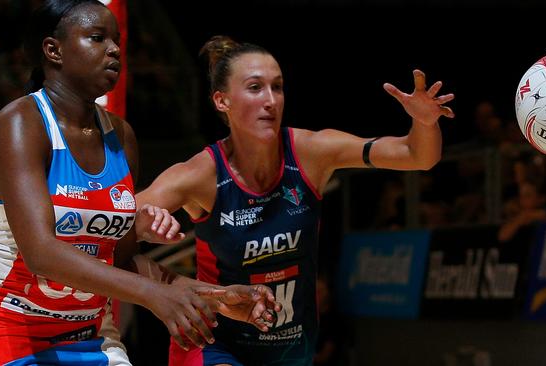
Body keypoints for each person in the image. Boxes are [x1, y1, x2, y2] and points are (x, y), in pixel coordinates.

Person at [0, 3, 279, 365]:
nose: (114, 49)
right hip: (8, 333)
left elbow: (123, 259)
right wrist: (150, 295)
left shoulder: (121, 136)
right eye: (97, 38)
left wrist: (213, 296)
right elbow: (41, 254)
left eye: (117, 40)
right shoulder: (20, 123)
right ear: (53, 50)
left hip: (92, 335)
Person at [136, 35, 455, 366]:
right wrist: (145, 223)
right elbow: (111, 225)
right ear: (222, 101)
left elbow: (418, 155)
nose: (271, 100)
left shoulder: (312, 152)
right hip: (215, 343)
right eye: (255, 88)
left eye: (278, 87)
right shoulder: (199, 174)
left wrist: (424, 122)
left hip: (291, 346)